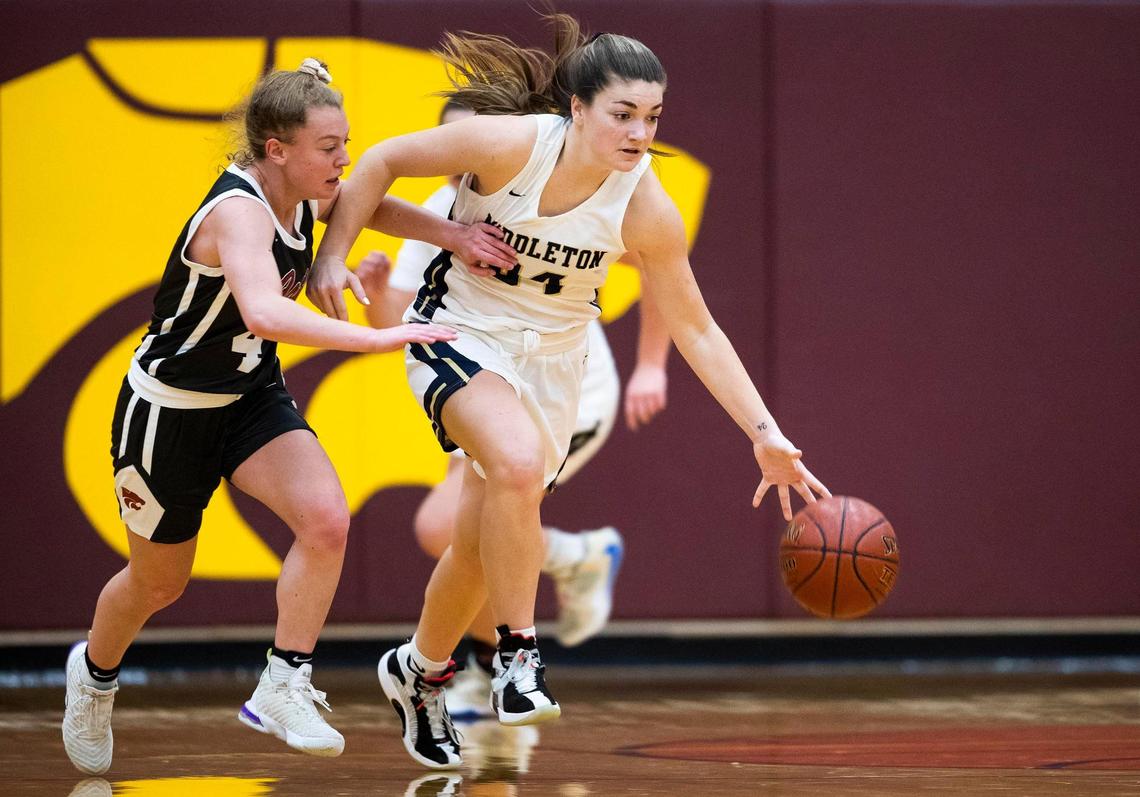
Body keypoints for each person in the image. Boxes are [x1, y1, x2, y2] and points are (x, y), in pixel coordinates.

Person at [309, 15, 830, 770]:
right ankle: (519, 656)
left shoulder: (646, 206)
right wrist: (334, 255)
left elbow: (698, 328)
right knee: (515, 466)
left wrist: (764, 432)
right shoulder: (512, 145)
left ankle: (417, 670)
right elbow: (384, 159)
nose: (639, 132)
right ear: (576, 110)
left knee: (476, 548)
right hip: (461, 329)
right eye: (623, 114)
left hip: (556, 360)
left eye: (652, 117)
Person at [61, 58, 513, 775]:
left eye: (346, 142)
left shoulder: (307, 190)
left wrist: (453, 236)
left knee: (326, 519)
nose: (345, 161)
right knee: (158, 582)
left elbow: (370, 206)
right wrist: (373, 336)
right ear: (277, 150)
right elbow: (265, 311)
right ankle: (94, 673)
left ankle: (284, 680)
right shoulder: (238, 211)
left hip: (249, 398)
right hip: (170, 411)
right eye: (330, 147)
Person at [353, 98, 672, 719]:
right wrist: (369, 293)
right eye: (448, 147)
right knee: (455, 530)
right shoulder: (443, 215)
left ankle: (465, 668)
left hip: (572, 392)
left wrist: (653, 364)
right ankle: (489, 648)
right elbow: (403, 324)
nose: (457, 159)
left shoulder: (558, 187)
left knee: (468, 528)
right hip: (492, 381)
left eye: (471, 141)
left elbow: (660, 266)